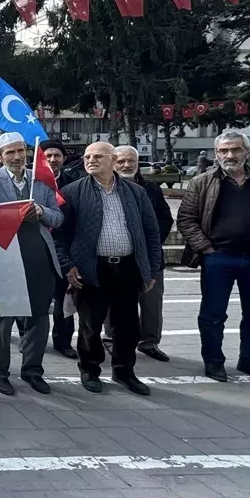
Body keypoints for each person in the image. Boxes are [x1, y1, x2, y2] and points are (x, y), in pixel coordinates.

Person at [177, 130, 250, 384]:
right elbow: (186, 218)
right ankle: (213, 361)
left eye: (236, 149)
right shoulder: (202, 182)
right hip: (219, 259)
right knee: (212, 314)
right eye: (223, 150)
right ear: (216, 154)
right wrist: (205, 248)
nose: (230, 155)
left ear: (248, 153)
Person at [56, 142, 162, 397]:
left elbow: (151, 232)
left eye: (97, 156)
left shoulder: (136, 192)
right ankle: (90, 369)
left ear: (113, 160)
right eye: (87, 157)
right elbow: (60, 234)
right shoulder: (71, 192)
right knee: (90, 324)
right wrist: (68, 265)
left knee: (127, 324)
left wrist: (152, 270)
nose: (90, 160)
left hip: (128, 267)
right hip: (91, 267)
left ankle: (124, 371)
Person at [0, 133, 63, 397]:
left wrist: (41, 212)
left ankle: (32, 370)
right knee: (1, 320)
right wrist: (12, 214)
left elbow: (58, 218)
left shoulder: (42, 181)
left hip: (39, 257)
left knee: (38, 317)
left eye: (20, 151)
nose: (16, 157)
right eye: (9, 152)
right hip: (4, 258)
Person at [113, 145, 174, 361]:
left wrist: (151, 241)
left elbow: (166, 219)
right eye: (121, 161)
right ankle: (111, 339)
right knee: (115, 302)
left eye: (132, 161)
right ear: (112, 162)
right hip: (117, 255)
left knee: (152, 302)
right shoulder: (105, 188)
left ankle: (149, 342)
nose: (127, 165)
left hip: (149, 256)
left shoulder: (151, 188)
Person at [40, 140, 78, 360]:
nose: (53, 160)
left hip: (63, 250)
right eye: (48, 156)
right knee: (37, 299)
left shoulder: (72, 185)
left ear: (64, 158)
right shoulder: (32, 183)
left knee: (64, 300)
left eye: (57, 156)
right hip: (38, 249)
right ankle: (30, 338)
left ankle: (63, 341)